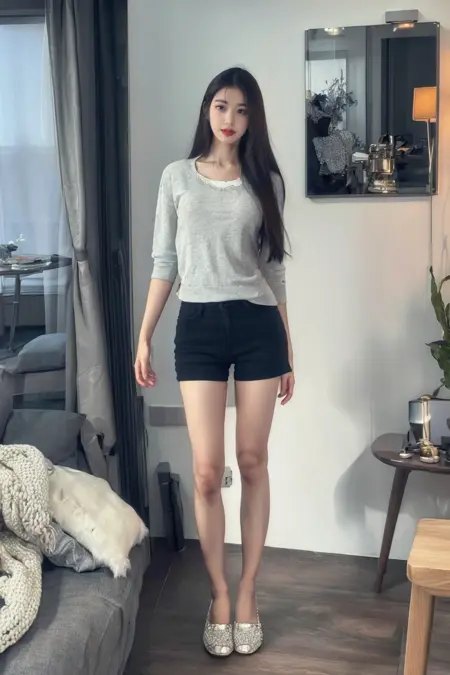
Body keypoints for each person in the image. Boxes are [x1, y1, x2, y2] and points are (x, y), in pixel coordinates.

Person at [135, 66, 294, 657]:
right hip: (198, 326)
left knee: (252, 461)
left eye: (242, 110)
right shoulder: (177, 177)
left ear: (253, 119)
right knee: (207, 471)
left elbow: (274, 269)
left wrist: (288, 346)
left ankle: (248, 591)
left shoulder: (265, 182)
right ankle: (219, 595)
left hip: (257, 327)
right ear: (208, 109)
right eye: (222, 106)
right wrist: (145, 336)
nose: (230, 119)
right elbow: (164, 262)